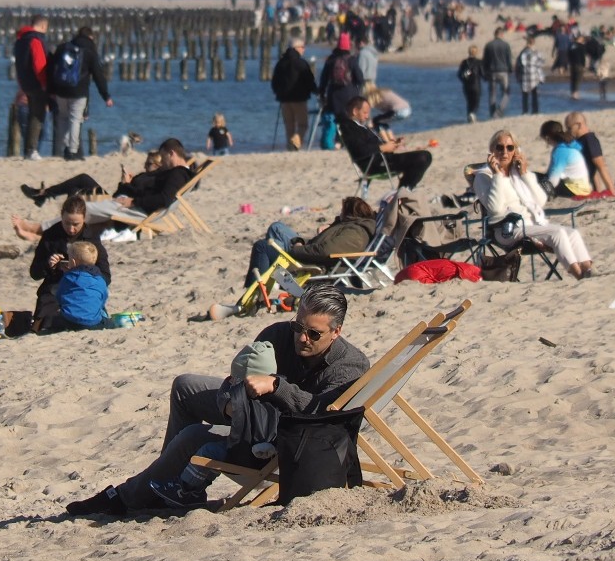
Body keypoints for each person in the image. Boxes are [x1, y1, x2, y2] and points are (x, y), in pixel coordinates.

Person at [64, 283, 370, 515]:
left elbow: (320, 416)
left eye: (313, 334)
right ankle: (166, 478)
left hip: (286, 438)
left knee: (195, 436)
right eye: (298, 327)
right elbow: (237, 375)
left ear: (336, 332)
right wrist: (229, 400)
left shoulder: (350, 366)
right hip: (249, 411)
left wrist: (277, 387)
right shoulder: (278, 336)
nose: (302, 338)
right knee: (185, 386)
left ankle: (129, 497)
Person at [149, 341, 280, 509]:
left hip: (252, 459)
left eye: (235, 380)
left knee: (208, 451)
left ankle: (188, 491)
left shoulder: (246, 402)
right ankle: (188, 486)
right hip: (260, 456)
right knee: (210, 446)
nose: (232, 382)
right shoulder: (274, 397)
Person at [473, 130, 593, 279]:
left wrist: (524, 174)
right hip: (506, 230)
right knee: (557, 233)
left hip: (530, 225)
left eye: (510, 148)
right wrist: (497, 175)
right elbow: (495, 209)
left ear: (515, 151)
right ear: (492, 151)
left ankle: (588, 271)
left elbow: (540, 200)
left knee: (573, 233)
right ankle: (579, 275)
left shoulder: (517, 173)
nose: (504, 152)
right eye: (499, 147)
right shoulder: (483, 176)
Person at [244, 196, 377, 287]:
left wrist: (296, 249)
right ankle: (274, 281)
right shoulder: (350, 226)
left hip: (311, 264)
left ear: (349, 213)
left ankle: (256, 289)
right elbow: (323, 245)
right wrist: (301, 242)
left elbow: (326, 251)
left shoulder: (356, 232)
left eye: (342, 210)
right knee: (276, 227)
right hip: (308, 252)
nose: (340, 213)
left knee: (262, 246)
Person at [29, 196, 111, 333]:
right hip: (54, 287)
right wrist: (50, 265)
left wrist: (83, 272)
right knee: (45, 324)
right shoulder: (51, 235)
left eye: (76, 224)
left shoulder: (92, 237)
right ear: (61, 216)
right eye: (67, 223)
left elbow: (105, 275)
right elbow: (34, 273)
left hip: (83, 289)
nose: (71, 229)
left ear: (84, 219)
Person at [82, 138, 193, 229]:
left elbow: (164, 199)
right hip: (139, 204)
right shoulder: (180, 173)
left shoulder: (177, 174)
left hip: (140, 209)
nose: (162, 163)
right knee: (89, 209)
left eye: (163, 158)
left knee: (82, 210)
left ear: (171, 154)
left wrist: (133, 202)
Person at [338, 96, 432, 190]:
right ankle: (403, 193)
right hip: (374, 165)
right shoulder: (348, 127)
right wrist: (383, 148)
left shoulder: (360, 126)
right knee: (422, 157)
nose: (367, 116)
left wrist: (394, 144)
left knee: (425, 157)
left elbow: (374, 144)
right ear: (355, 111)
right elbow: (360, 151)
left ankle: (403, 191)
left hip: (383, 159)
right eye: (365, 113)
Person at [49, 27, 113, 161]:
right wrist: (106, 95)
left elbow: (51, 69)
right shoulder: (90, 52)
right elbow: (98, 76)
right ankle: (72, 151)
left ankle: (64, 147)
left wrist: (51, 90)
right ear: (91, 37)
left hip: (60, 90)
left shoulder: (63, 48)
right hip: (79, 92)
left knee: (62, 118)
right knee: (75, 120)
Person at [20, 151, 162, 209]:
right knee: (74, 189)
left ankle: (44, 195)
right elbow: (122, 191)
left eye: (149, 164)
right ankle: (45, 195)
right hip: (114, 199)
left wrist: (126, 183)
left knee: (82, 179)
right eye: (145, 163)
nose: (145, 166)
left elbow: (136, 194)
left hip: (115, 203)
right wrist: (124, 182)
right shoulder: (147, 176)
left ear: (158, 166)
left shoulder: (152, 180)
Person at [48, 241, 109, 333]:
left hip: (69, 321)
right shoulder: (100, 279)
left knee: (55, 319)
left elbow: (60, 296)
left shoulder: (68, 278)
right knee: (107, 320)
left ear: (72, 262)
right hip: (93, 323)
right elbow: (103, 298)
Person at [270, 37, 317, 151]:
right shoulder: (301, 63)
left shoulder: (281, 63)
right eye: (302, 47)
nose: (304, 50)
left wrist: (278, 93)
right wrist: (316, 91)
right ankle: (296, 141)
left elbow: (274, 82)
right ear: (296, 48)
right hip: (299, 99)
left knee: (289, 125)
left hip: (284, 99)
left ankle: (290, 147)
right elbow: (309, 81)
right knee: (303, 125)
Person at [13, 14, 49, 160]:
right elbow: (39, 64)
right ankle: (31, 150)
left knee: (33, 115)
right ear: (43, 26)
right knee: (37, 115)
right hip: (36, 84)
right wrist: (45, 84)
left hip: (25, 83)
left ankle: (29, 150)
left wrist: (22, 84)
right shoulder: (35, 40)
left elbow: (19, 65)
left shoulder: (20, 40)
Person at [564, 111, 615, 195]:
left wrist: (612, 191)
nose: (568, 131)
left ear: (579, 125)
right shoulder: (580, 141)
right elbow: (592, 168)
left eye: (569, 128)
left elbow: (601, 166)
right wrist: (597, 191)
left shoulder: (589, 140)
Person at [538, 120, 591, 198]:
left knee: (535, 178)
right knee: (539, 177)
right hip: (583, 187)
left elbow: (553, 181)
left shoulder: (560, 151)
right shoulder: (569, 145)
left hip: (575, 190)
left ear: (547, 137)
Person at [318, 32, 364, 121]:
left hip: (333, 96)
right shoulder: (351, 60)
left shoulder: (331, 60)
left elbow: (323, 79)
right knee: (350, 122)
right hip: (350, 95)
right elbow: (360, 79)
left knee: (335, 122)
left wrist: (322, 94)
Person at [482, 27, 512, 118]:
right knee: (506, 93)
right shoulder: (506, 45)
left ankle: (493, 113)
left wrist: (485, 72)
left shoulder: (489, 45)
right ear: (502, 34)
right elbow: (508, 59)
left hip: (492, 71)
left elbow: (485, 60)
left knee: (492, 94)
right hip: (503, 71)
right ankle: (500, 110)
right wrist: (510, 70)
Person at [515, 36, 544, 115]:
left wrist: (517, 76)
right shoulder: (536, 52)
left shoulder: (522, 52)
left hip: (524, 76)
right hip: (534, 76)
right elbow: (540, 65)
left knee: (525, 95)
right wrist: (541, 77)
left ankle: (525, 111)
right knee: (534, 95)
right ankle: (535, 111)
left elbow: (518, 65)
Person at [457, 45, 485, 123]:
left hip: (466, 86)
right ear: (476, 52)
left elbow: (459, 75)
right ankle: (472, 114)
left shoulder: (464, 62)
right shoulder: (479, 62)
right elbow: (483, 73)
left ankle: (469, 116)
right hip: (476, 85)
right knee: (476, 102)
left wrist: (464, 81)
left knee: (469, 102)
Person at [568, 35, 587, 100]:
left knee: (573, 79)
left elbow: (568, 54)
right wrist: (584, 65)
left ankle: (572, 93)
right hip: (579, 64)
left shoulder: (571, 45)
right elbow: (583, 57)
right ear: (580, 39)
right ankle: (575, 94)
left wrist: (570, 62)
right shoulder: (581, 46)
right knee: (577, 79)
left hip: (572, 64)